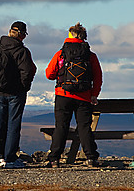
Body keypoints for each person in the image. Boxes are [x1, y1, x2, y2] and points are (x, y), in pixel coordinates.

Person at [44, 22, 103, 167]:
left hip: (63, 94)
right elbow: (98, 77)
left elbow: (49, 74)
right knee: (84, 127)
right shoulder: (90, 56)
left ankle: (54, 159)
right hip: (84, 96)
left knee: (61, 127)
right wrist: (94, 94)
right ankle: (91, 158)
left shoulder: (61, 54)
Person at [0, 21, 36, 169]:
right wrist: (23, 88)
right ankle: (10, 159)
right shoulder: (22, 51)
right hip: (16, 94)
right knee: (13, 126)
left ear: (9, 32)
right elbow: (28, 71)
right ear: (22, 35)